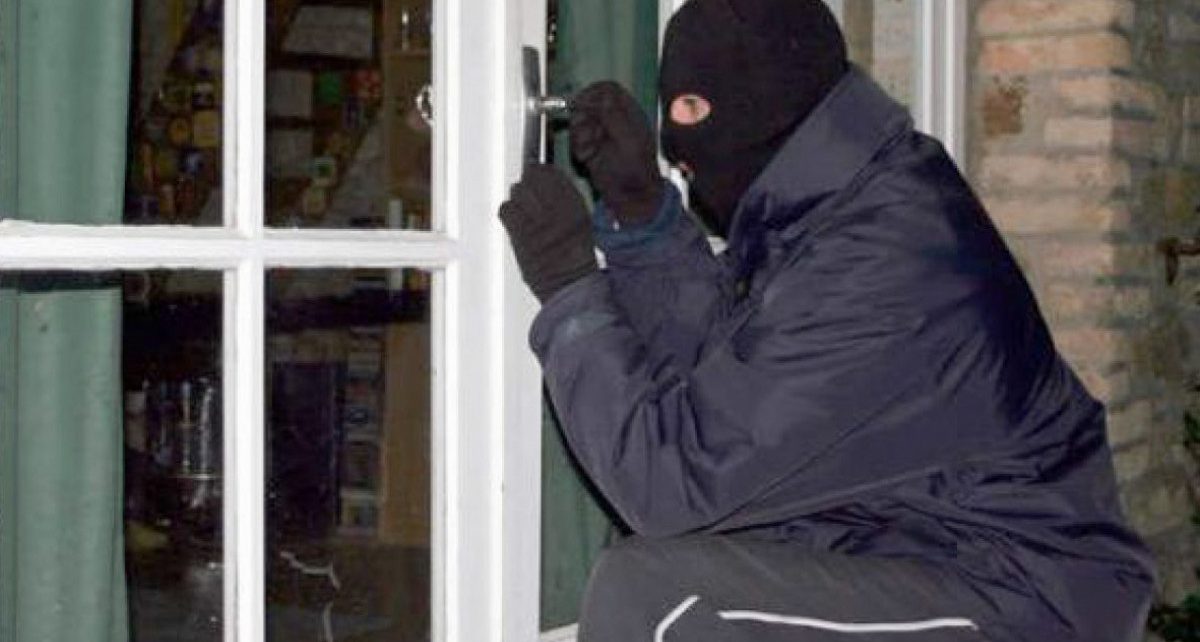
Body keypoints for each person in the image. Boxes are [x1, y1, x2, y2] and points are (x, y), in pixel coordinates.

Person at [497, 0, 1156, 640]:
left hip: (1026, 596)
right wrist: (645, 221)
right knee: (703, 544)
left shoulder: (886, 260)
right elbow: (727, 380)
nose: (676, 137)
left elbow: (669, 483)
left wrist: (570, 288)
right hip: (913, 546)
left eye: (692, 106)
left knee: (657, 594)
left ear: (767, 105)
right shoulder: (839, 203)